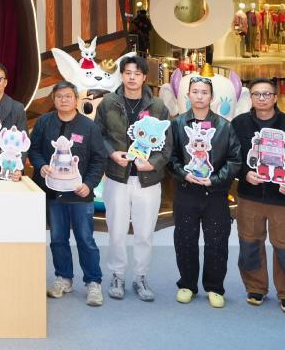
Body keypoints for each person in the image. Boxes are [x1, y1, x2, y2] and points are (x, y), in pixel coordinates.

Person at [232, 78, 285, 314]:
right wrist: (244, 174)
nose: (262, 98)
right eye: (257, 94)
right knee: (249, 243)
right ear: (251, 98)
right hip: (250, 196)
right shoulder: (239, 124)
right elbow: (231, 156)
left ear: (275, 97)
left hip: (282, 199)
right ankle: (255, 287)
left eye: (267, 94)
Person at [94, 55, 171, 302]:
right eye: (127, 72)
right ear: (122, 75)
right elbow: (98, 135)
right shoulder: (108, 102)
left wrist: (153, 163)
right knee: (116, 230)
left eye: (137, 73)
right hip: (117, 177)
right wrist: (111, 153)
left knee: (144, 232)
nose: (132, 77)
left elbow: (167, 145)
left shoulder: (158, 106)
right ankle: (117, 275)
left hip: (148, 179)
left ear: (144, 77)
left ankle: (141, 276)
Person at [29, 81, 108, 307]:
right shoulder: (44, 122)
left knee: (85, 239)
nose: (63, 100)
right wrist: (41, 165)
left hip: (80, 194)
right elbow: (33, 150)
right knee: (57, 238)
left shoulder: (89, 126)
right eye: (59, 96)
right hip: (53, 193)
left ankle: (93, 282)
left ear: (76, 99)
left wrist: (89, 184)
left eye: (68, 96)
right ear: (54, 99)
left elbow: (99, 159)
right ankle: (63, 278)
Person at [167, 75, 242, 308]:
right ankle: (187, 284)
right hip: (186, 191)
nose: (199, 96)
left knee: (217, 241)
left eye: (204, 92)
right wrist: (183, 174)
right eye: (195, 92)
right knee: (185, 239)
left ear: (212, 97)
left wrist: (214, 180)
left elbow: (235, 160)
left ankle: (215, 287)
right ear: (188, 95)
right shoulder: (177, 124)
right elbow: (170, 157)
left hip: (215, 193)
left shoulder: (224, 126)